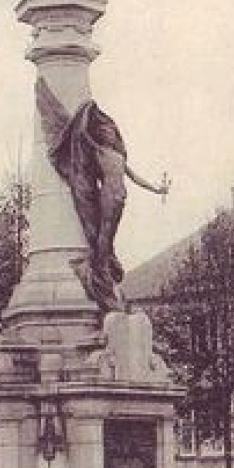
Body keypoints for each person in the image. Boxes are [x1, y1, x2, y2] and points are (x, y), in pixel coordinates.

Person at [35, 76, 170, 313]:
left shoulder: (114, 155)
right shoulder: (99, 150)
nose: (109, 134)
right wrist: (81, 117)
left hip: (117, 201)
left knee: (104, 242)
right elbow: (81, 139)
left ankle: (98, 274)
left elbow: (133, 176)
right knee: (101, 241)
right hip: (107, 201)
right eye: (106, 131)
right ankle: (98, 276)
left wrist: (158, 189)